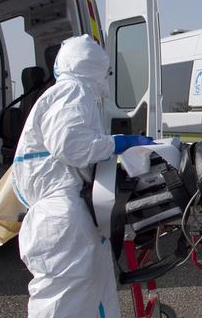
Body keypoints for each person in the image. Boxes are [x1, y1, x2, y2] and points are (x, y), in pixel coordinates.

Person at [13, 34, 154, 318]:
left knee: (88, 295)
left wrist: (113, 141)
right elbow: (72, 145)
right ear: (94, 66)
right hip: (61, 218)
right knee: (65, 300)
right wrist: (117, 144)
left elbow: (75, 141)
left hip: (68, 215)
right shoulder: (72, 91)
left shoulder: (73, 92)